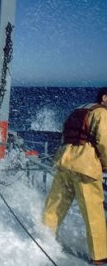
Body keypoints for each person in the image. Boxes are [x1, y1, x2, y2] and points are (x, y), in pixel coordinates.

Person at [42, 87, 107, 265]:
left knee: (54, 207)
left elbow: (66, 134)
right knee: (93, 213)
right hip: (85, 165)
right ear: (104, 98)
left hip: (63, 160)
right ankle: (99, 256)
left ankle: (42, 241)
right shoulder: (102, 113)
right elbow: (104, 141)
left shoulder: (79, 109)